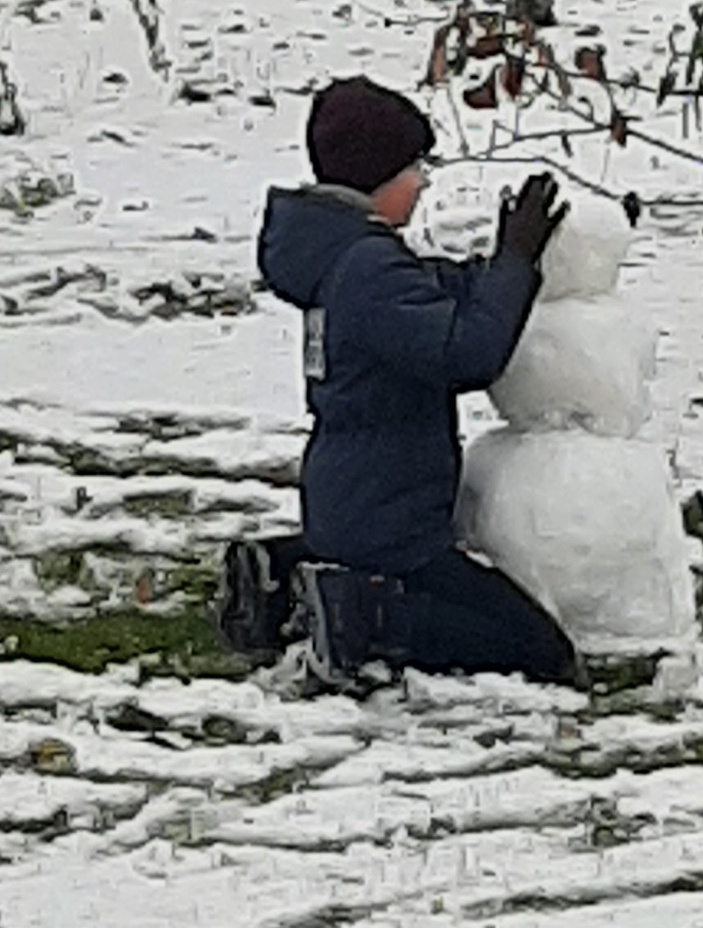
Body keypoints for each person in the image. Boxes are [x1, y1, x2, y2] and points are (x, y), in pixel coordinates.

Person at [219, 75, 581, 687]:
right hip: (391, 525)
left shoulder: (345, 255)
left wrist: (496, 271)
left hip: (353, 501)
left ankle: (282, 573)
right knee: (537, 649)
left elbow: (430, 296)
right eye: (414, 167)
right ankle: (360, 622)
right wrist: (516, 263)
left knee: (467, 609)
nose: (422, 182)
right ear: (378, 177)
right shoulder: (368, 268)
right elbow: (468, 353)